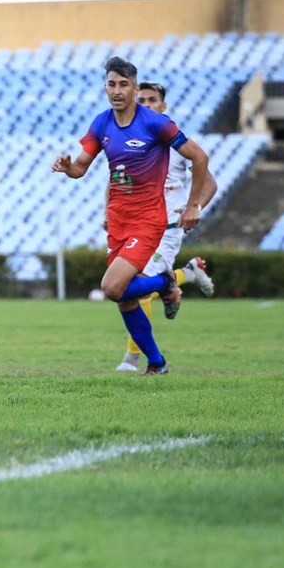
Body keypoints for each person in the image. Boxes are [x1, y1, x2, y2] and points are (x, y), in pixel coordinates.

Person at [52, 56, 212, 376]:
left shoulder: (155, 123)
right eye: (112, 84)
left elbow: (199, 157)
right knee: (125, 298)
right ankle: (156, 364)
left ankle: (167, 283)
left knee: (112, 288)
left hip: (148, 219)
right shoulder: (102, 123)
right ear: (105, 87)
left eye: (124, 84)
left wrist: (194, 204)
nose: (117, 90)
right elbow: (82, 168)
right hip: (118, 220)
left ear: (134, 89)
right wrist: (69, 168)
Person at [115, 82, 217, 372]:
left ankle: (133, 359)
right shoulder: (129, 140)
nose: (146, 104)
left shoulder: (175, 142)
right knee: (130, 286)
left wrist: (193, 206)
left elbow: (210, 182)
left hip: (168, 226)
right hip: (136, 225)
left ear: (163, 107)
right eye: (142, 99)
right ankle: (186, 274)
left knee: (136, 287)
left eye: (152, 100)